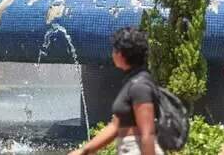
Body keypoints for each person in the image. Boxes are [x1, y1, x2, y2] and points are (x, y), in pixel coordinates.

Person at [68, 27, 162, 155]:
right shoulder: (132, 83)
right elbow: (115, 127)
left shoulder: (140, 86)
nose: (112, 53)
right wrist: (84, 150)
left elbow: (147, 133)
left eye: (114, 49)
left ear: (121, 54)